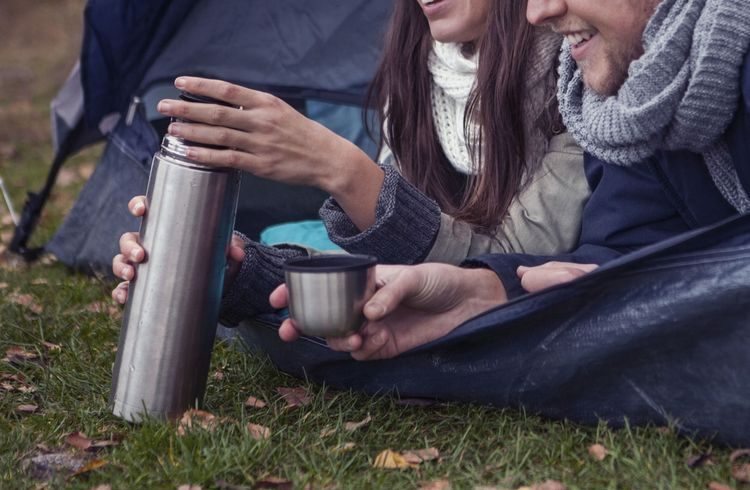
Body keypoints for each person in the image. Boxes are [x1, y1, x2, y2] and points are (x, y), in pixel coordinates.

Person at [266, 0, 750, 360]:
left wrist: (345, 172)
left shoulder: (584, 87)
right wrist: (258, 274)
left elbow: (535, 251)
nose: (538, 10)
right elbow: (616, 258)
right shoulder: (625, 95)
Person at [111, 0, 590, 324]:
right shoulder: (422, 64)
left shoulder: (580, 67)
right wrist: (237, 275)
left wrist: (343, 170)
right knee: (277, 243)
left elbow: (512, 268)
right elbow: (396, 272)